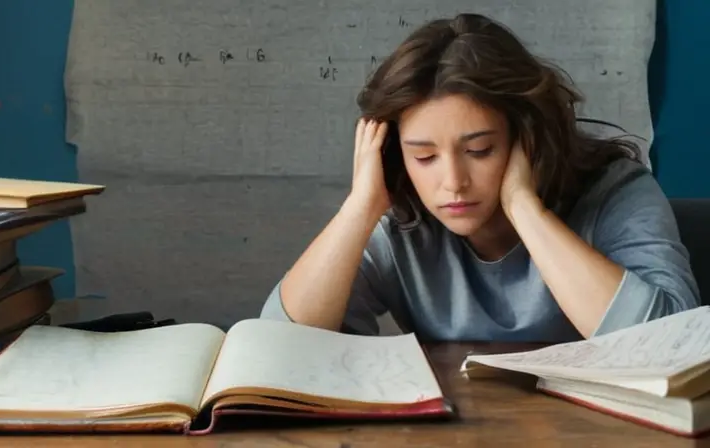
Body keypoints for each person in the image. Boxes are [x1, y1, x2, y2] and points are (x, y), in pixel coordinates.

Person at [259, 13, 700, 342]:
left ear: (527, 137)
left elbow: (671, 342)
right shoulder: (400, 218)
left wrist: (525, 208)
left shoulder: (617, 193)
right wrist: (358, 210)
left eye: (479, 151)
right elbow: (277, 347)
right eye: (425, 157)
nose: (453, 181)